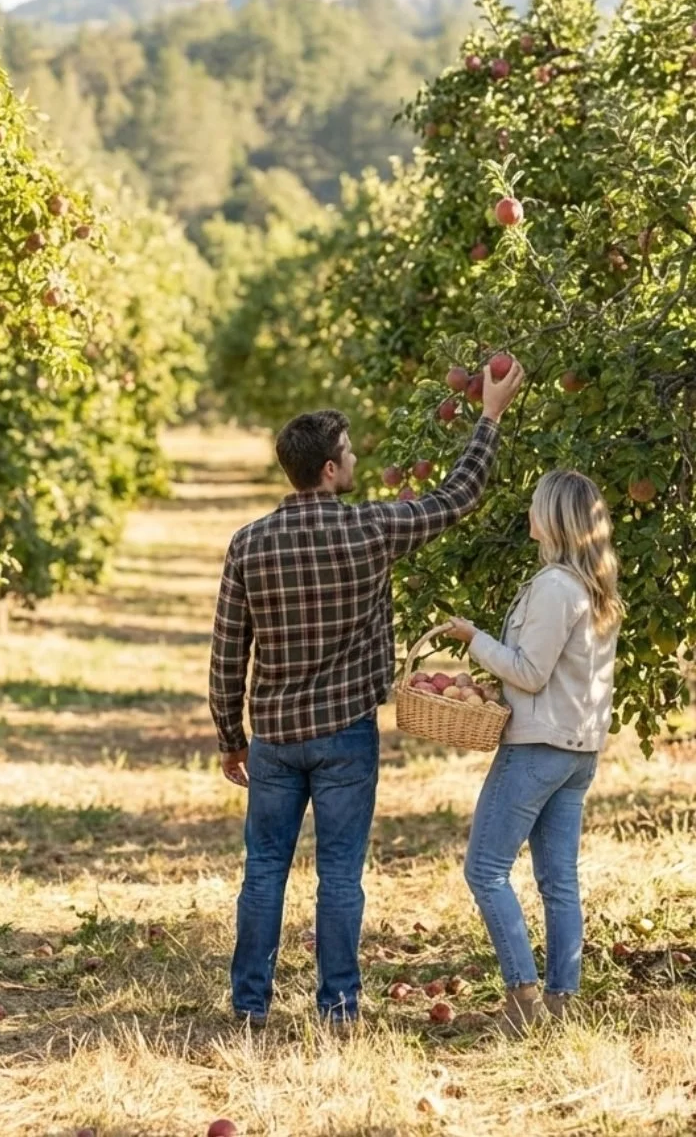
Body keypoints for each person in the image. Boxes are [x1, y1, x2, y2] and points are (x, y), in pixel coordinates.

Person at [208, 358, 526, 1027]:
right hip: (346, 732)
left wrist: (230, 737)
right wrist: (488, 417)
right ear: (329, 469)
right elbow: (456, 497)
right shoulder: (369, 529)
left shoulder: (249, 544)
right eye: (348, 453)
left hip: (274, 734)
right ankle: (340, 1006)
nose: (353, 460)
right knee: (341, 874)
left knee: (264, 867)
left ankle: (249, 1005)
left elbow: (227, 652)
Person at [446, 469, 623, 1035]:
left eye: (535, 505)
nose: (528, 512)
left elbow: (528, 671)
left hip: (538, 747)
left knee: (485, 871)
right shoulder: (595, 589)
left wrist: (474, 639)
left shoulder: (555, 586)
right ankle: (561, 1003)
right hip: (578, 750)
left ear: (554, 517)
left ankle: (524, 999)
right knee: (559, 880)